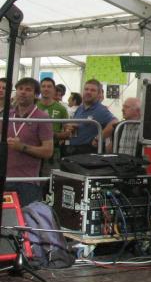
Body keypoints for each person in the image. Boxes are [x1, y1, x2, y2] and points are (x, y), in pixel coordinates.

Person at [5, 77, 54, 206]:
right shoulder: (8, 115)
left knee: (27, 217)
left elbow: (48, 151)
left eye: (28, 89)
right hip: (5, 178)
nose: (23, 92)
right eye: (20, 89)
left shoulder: (42, 118)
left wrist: (22, 147)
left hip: (27, 182)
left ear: (36, 95)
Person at [63, 79, 117, 156]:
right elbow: (75, 126)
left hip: (88, 153)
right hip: (73, 150)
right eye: (86, 89)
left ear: (99, 94)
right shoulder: (80, 108)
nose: (88, 92)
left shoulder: (101, 110)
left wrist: (98, 138)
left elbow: (115, 122)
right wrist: (70, 127)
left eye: (93, 90)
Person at [36, 77, 69, 177]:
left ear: (54, 90)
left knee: (49, 181)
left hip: (53, 152)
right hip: (34, 150)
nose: (46, 89)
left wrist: (52, 135)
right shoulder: (33, 106)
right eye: (43, 86)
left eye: (49, 86)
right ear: (40, 89)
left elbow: (67, 133)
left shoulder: (61, 109)